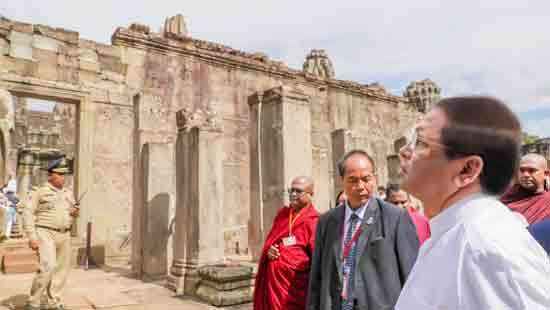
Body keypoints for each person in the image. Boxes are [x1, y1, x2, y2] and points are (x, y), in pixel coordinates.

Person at [395, 96, 550, 309]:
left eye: (421, 143)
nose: (404, 152)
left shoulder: (485, 248)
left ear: (467, 169)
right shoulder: (453, 233)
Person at [307, 150, 419, 310]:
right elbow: (316, 278)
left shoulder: (395, 218)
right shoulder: (326, 222)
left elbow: (412, 275)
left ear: (374, 178)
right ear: (341, 181)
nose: (360, 187)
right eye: (352, 180)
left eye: (366, 179)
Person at [21, 158, 79, 310]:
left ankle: (55, 302)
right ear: (51, 175)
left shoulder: (68, 193)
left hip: (64, 235)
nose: (63, 177)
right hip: (45, 232)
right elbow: (27, 212)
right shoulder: (40, 191)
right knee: (48, 266)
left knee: (61, 270)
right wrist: (32, 236)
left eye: (64, 174)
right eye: (59, 174)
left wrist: (74, 213)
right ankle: (33, 302)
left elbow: (71, 213)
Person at [253, 176, 320, 310]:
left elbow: (317, 260)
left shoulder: (315, 221)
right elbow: (270, 241)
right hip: (274, 286)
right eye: (291, 190)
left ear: (310, 194)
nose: (293, 194)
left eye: (298, 191)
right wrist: (269, 250)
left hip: (296, 288)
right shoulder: (283, 214)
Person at [501, 153, 550, 224]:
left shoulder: (547, 200)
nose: (525, 175)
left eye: (532, 170)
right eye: (522, 170)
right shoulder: (508, 193)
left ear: (546, 174)